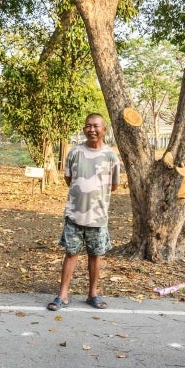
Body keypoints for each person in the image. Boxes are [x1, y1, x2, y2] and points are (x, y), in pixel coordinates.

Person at [47, 113, 120, 311]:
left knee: (95, 256)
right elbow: (69, 180)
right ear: (84, 129)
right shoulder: (74, 152)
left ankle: (93, 294)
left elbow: (114, 186)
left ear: (104, 129)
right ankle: (62, 295)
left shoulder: (111, 156)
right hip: (74, 215)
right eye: (88, 126)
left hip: (98, 217)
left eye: (96, 126)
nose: (92, 129)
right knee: (71, 254)